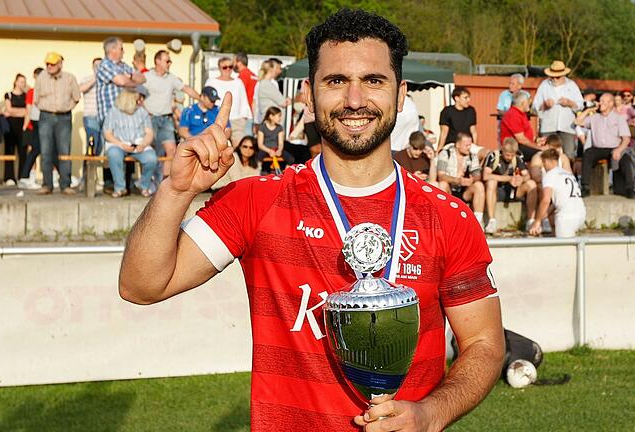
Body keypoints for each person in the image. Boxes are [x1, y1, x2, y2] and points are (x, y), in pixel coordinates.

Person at [118, 9, 503, 431]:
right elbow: (141, 286)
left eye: (373, 81)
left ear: (400, 92)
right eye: (336, 81)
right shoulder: (257, 201)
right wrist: (176, 192)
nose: (355, 100)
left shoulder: (448, 217)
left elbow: (484, 343)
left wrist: (433, 413)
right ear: (308, 94)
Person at [97, 37, 146, 193]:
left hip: (128, 115)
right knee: (112, 149)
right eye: (121, 48)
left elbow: (142, 78)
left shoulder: (123, 65)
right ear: (112, 50)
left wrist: (129, 78)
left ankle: (128, 184)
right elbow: (121, 81)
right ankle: (109, 183)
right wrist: (131, 79)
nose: (123, 51)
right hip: (109, 115)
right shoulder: (104, 65)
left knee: (129, 144)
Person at [143, 50, 200, 178]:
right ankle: (149, 181)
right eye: (167, 61)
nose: (169, 63)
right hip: (149, 119)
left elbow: (186, 89)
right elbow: (136, 93)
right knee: (150, 151)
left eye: (170, 61)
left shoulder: (171, 78)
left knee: (171, 150)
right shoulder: (147, 77)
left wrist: (201, 98)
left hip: (166, 120)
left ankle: (165, 180)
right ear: (157, 61)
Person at [33, 52, 80, 195]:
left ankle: (65, 185)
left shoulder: (70, 78)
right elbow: (36, 98)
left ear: (60, 64)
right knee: (46, 151)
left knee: (64, 151)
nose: (49, 66)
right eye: (47, 63)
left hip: (64, 117)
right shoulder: (41, 77)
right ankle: (47, 185)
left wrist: (65, 108)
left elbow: (76, 97)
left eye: (52, 63)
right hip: (45, 116)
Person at [577, 93, 634, 198]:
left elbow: (626, 139)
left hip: (614, 147)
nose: (600, 103)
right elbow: (578, 121)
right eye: (600, 101)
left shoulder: (619, 118)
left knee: (625, 159)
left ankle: (630, 188)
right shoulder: (594, 117)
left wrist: (619, 150)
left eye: (603, 101)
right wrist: (589, 110)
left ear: (611, 103)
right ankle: (585, 187)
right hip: (598, 148)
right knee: (588, 154)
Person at [103, 89, 156, 198]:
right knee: (113, 154)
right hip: (119, 144)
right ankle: (119, 187)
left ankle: (144, 185)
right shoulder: (113, 111)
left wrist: (143, 144)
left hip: (138, 144)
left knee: (151, 158)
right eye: (136, 99)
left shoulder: (142, 112)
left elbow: (149, 133)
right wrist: (121, 144)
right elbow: (107, 133)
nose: (139, 102)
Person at [481, 137, 537, 234]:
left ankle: (530, 221)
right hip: (497, 191)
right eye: (507, 155)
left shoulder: (518, 158)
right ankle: (491, 221)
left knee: (531, 184)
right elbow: (486, 175)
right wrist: (508, 178)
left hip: (513, 189)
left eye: (512, 155)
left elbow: (527, 175)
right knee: (491, 182)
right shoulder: (493, 156)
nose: (509, 158)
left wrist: (521, 179)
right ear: (502, 150)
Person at [529, 148, 586, 238]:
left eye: (543, 163)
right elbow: (558, 202)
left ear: (546, 161)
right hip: (581, 213)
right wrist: (542, 217)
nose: (543, 166)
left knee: (563, 249)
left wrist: (537, 222)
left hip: (566, 217)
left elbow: (546, 200)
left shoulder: (549, 175)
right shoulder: (568, 174)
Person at [532, 60, 583, 157]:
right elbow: (535, 107)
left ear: (564, 75)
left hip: (567, 127)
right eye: (552, 76)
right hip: (548, 126)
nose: (555, 79)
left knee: (569, 154)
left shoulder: (572, 85)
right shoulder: (544, 85)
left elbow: (580, 106)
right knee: (547, 154)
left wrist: (569, 103)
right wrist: (545, 105)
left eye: (557, 77)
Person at [437, 132, 486, 226]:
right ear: (458, 145)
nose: (469, 147)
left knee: (479, 185)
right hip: (449, 190)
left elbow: (477, 175)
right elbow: (441, 175)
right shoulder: (445, 153)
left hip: (464, 191)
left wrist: (472, 179)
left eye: (470, 145)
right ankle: (444, 221)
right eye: (466, 145)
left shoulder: (472, 155)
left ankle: (477, 223)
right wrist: (457, 180)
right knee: (442, 184)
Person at [205, 56, 252, 147]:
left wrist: (244, 118)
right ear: (219, 68)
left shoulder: (238, 82)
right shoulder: (211, 81)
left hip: (237, 120)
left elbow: (244, 101)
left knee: (241, 148)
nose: (228, 69)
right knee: (218, 147)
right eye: (224, 67)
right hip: (218, 119)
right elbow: (206, 100)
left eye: (230, 67)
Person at [501, 91, 544, 160]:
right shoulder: (513, 115)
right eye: (527, 102)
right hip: (515, 148)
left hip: (523, 146)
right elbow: (521, 139)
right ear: (523, 103)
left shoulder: (521, 114)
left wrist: (536, 140)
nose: (529, 104)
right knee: (543, 154)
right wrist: (538, 147)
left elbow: (525, 135)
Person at [2, 74, 28, 186]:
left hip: (23, 126)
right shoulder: (8, 95)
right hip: (10, 126)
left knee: (23, 152)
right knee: (9, 151)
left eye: (24, 82)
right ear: (16, 82)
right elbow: (8, 109)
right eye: (21, 81)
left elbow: (28, 111)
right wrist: (20, 112)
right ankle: (9, 177)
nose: (23, 84)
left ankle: (22, 176)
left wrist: (14, 112)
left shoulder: (26, 95)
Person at [20, 68, 43, 189]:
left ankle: (26, 177)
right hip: (36, 123)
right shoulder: (33, 92)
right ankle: (27, 177)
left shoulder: (37, 91)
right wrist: (25, 126)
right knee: (35, 149)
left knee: (40, 149)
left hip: (41, 122)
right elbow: (29, 110)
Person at [437, 86, 477, 152]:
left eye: (468, 97)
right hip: (452, 144)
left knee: (486, 152)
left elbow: (474, 131)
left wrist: (475, 147)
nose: (468, 100)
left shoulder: (471, 110)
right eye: (465, 98)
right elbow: (444, 133)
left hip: (468, 144)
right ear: (457, 98)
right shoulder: (447, 111)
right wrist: (439, 150)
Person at [254, 58, 290, 126]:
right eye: (276, 68)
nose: (279, 71)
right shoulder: (266, 84)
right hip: (272, 124)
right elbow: (283, 102)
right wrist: (291, 99)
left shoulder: (265, 83)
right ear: (271, 69)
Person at [256, 106, 291, 173]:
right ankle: (258, 172)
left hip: (276, 149)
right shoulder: (262, 127)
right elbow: (260, 144)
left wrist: (279, 150)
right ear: (271, 116)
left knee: (290, 159)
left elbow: (280, 143)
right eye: (279, 116)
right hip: (265, 149)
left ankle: (286, 173)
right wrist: (269, 151)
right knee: (258, 157)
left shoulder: (279, 128)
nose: (280, 118)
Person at [80, 58, 103, 156]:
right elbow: (80, 89)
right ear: (92, 67)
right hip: (91, 116)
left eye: (100, 65)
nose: (98, 67)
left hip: (105, 118)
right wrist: (95, 79)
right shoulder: (87, 78)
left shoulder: (108, 80)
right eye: (96, 65)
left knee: (101, 147)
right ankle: (87, 171)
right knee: (91, 146)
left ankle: (94, 170)